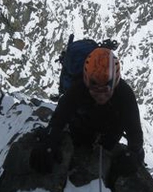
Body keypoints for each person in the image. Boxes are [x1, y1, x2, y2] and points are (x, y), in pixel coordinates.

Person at [30, 47, 144, 175]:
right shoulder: (78, 88)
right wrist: (49, 141)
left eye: (105, 91)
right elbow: (60, 117)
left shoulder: (125, 95)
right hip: (83, 135)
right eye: (95, 90)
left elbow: (135, 132)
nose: (100, 96)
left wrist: (133, 153)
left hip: (103, 139)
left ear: (115, 85)